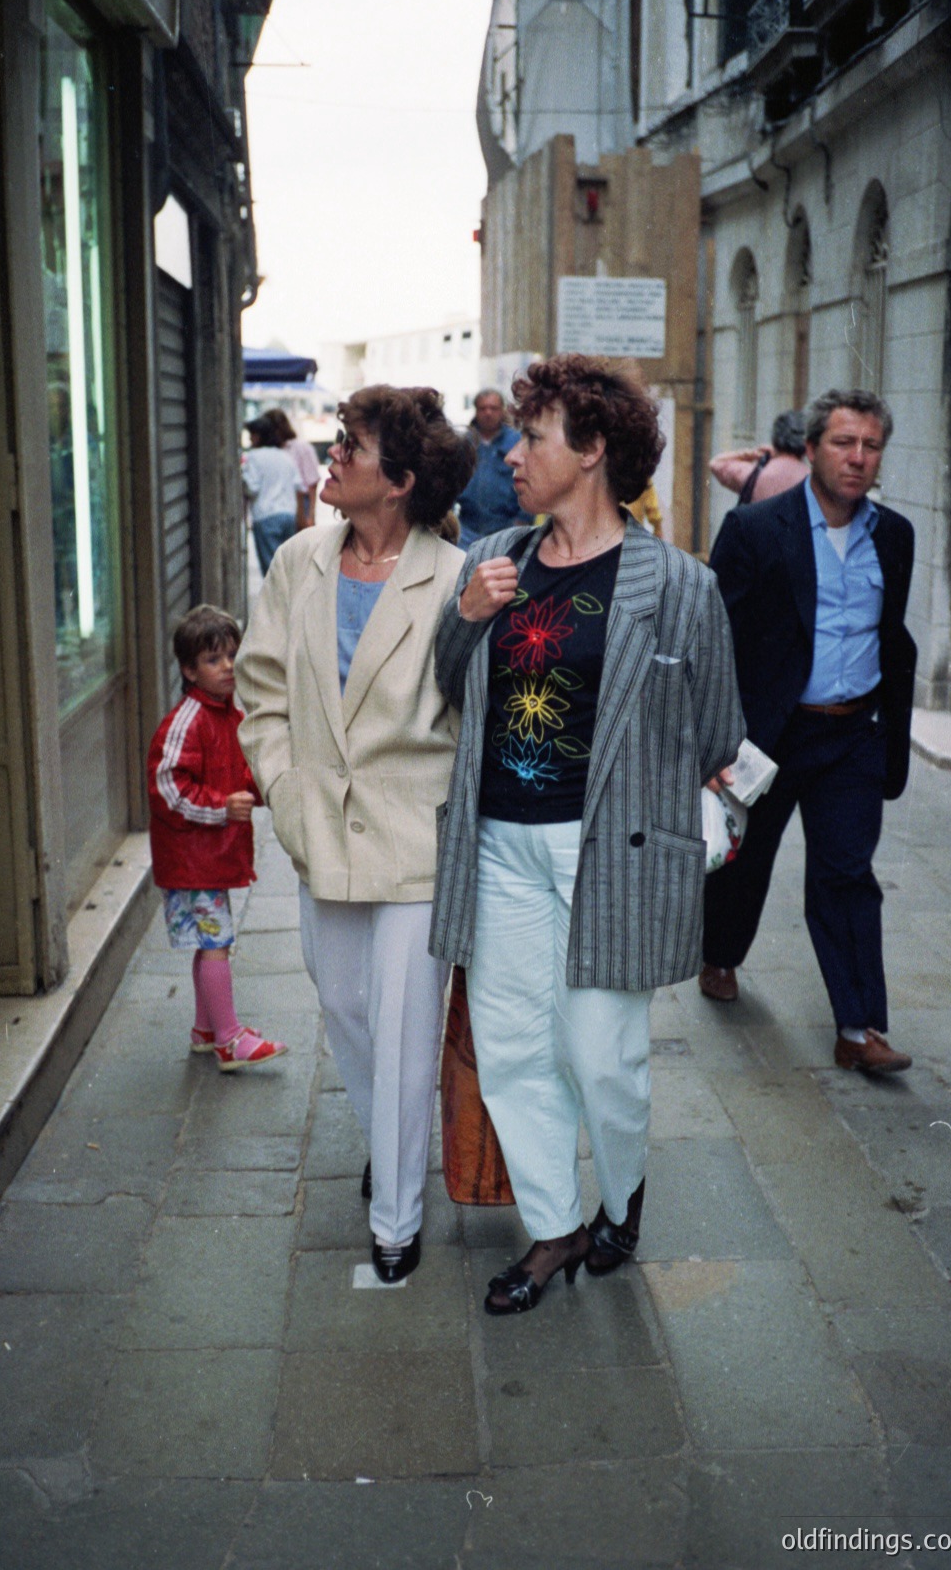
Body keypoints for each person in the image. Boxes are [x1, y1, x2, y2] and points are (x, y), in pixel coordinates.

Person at [429, 355, 743, 1316]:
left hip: (609, 849)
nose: (513, 455)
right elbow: (447, 686)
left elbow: (717, 729)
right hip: (499, 843)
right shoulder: (496, 561)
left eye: (533, 438)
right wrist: (466, 619)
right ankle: (554, 1226)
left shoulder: (677, 582)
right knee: (512, 1046)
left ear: (593, 449)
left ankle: (622, 1191)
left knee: (602, 1055)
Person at [236, 385, 474, 1283]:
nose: (331, 455)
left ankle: (396, 1218)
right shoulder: (298, 559)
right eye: (338, 440)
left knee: (405, 1028)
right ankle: (393, 1139)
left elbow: (471, 716)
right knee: (343, 1006)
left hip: (415, 838)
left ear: (400, 481)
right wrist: (284, 789)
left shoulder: (454, 578)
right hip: (320, 834)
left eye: (351, 446)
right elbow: (260, 690)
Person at [699, 388, 917, 1075]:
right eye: (843, 443)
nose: (857, 458)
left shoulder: (895, 535)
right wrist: (713, 741)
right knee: (746, 861)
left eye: (871, 446)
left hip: (853, 735)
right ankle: (719, 953)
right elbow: (713, 638)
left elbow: (891, 635)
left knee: (846, 874)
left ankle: (858, 1028)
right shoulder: (756, 529)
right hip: (772, 732)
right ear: (812, 448)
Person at [147, 604, 288, 1071]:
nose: (227, 666)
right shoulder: (188, 721)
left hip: (206, 858)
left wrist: (264, 787)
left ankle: (206, 1029)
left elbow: (238, 771)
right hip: (193, 860)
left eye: (232, 655)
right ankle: (229, 1039)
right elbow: (167, 786)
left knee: (210, 941)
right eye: (213, 659)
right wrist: (220, 807)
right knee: (216, 943)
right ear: (189, 670)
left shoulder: (228, 716)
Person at [457, 388, 525, 547]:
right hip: (467, 530)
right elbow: (450, 482)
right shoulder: (465, 443)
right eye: (483, 408)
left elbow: (532, 480)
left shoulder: (517, 442)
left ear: (502, 411)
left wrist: (523, 520)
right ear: (476, 411)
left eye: (493, 408)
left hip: (506, 529)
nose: (488, 413)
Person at [242, 415, 304, 575]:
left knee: (272, 571)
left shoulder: (253, 457)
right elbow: (299, 486)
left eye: (251, 435)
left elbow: (252, 488)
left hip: (265, 516)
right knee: (288, 567)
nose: (249, 439)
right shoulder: (285, 456)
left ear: (258, 436)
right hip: (288, 516)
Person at [710, 409, 808, 505]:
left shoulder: (756, 473)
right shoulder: (811, 478)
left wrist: (753, 454)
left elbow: (716, 463)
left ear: (775, 438)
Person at [265, 407, 320, 530]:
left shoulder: (302, 448)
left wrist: (310, 516)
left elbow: (312, 483)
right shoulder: (269, 451)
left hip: (300, 502)